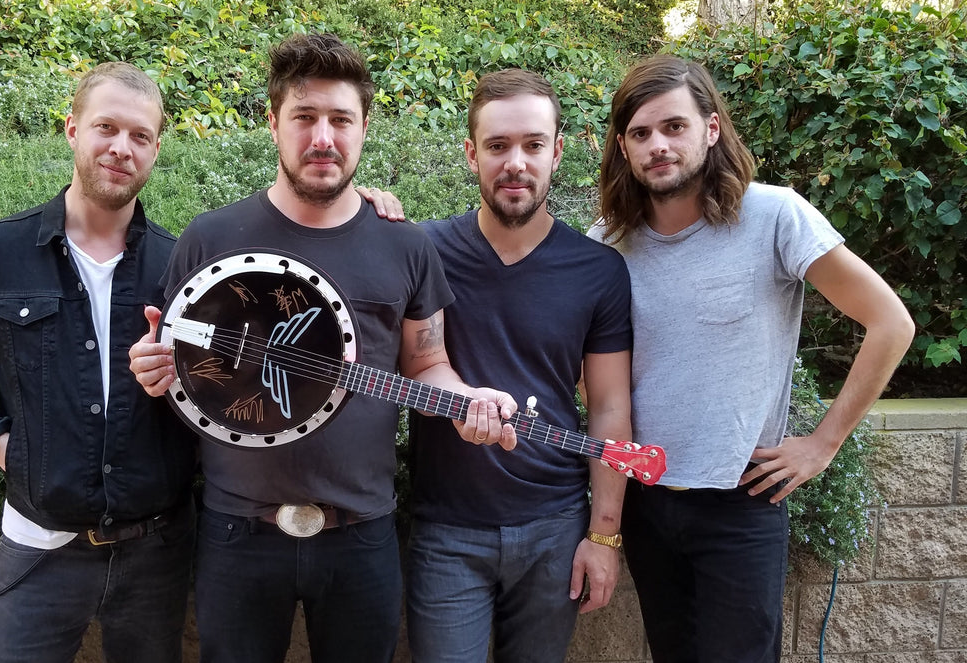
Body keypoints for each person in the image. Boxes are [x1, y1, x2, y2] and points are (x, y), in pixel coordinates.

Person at [127, 33, 518, 663]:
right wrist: (154, 370)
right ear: (273, 122)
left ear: (364, 126)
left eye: (341, 119)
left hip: (361, 536)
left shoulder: (406, 247)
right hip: (237, 532)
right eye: (304, 117)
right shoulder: (210, 238)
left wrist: (467, 401)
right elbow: (179, 364)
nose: (323, 138)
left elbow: (428, 365)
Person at [589, 54, 915, 662]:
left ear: (711, 129)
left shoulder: (773, 217)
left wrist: (823, 443)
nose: (658, 145)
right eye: (640, 133)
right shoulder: (607, 244)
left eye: (674, 127)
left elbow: (891, 322)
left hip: (741, 506)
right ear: (623, 147)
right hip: (648, 506)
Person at [0, 62, 197, 663]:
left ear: (155, 149)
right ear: (72, 129)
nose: (121, 148)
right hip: (38, 542)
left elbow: (220, 387)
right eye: (106, 128)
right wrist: (7, 449)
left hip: (155, 552)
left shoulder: (181, 268)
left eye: (140, 136)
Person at [405, 69, 633, 662]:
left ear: (557, 151)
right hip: (445, 531)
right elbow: (412, 363)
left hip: (555, 527)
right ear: (471, 153)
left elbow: (609, 406)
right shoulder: (421, 252)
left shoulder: (598, 270)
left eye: (533, 145)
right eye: (498, 145)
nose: (516, 163)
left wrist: (603, 534)